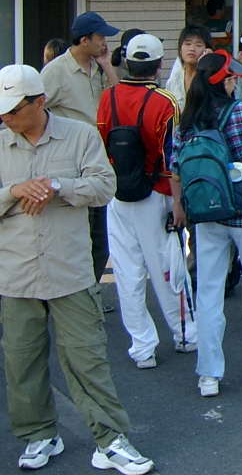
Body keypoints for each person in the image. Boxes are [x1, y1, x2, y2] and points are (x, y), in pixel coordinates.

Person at [0, 64, 155, 474]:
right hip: (15, 274)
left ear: (39, 102)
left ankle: (110, 439)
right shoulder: (0, 142)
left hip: (69, 270)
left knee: (88, 359)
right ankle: (38, 434)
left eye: (14, 109)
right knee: (21, 362)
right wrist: (15, 191)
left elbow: (105, 186)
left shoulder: (80, 135)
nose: (6, 117)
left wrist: (57, 186)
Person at [170, 51, 242, 398]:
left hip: (207, 213)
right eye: (231, 77)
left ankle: (208, 375)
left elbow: (175, 168)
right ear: (224, 82)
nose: (235, 80)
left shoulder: (188, 120)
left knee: (208, 293)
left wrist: (179, 205)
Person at [96, 34, 197, 369]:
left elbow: (101, 145)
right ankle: (184, 334)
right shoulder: (164, 102)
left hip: (117, 193)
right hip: (157, 193)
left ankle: (142, 348)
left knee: (127, 274)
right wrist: (178, 203)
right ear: (158, 64)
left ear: (127, 62)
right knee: (168, 269)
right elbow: (171, 159)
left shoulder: (107, 97)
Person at [40, 11, 121, 295]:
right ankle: (73, 295)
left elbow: (118, 100)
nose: (105, 42)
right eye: (100, 37)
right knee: (76, 238)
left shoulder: (98, 67)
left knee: (100, 240)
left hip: (98, 160)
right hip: (69, 165)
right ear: (84, 40)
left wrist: (107, 65)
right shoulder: (56, 71)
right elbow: (35, 109)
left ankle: (91, 292)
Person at [166, 25, 213, 108]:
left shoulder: (212, 79)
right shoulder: (174, 79)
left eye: (198, 45)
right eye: (187, 44)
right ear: (180, 49)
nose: (192, 49)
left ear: (207, 50)